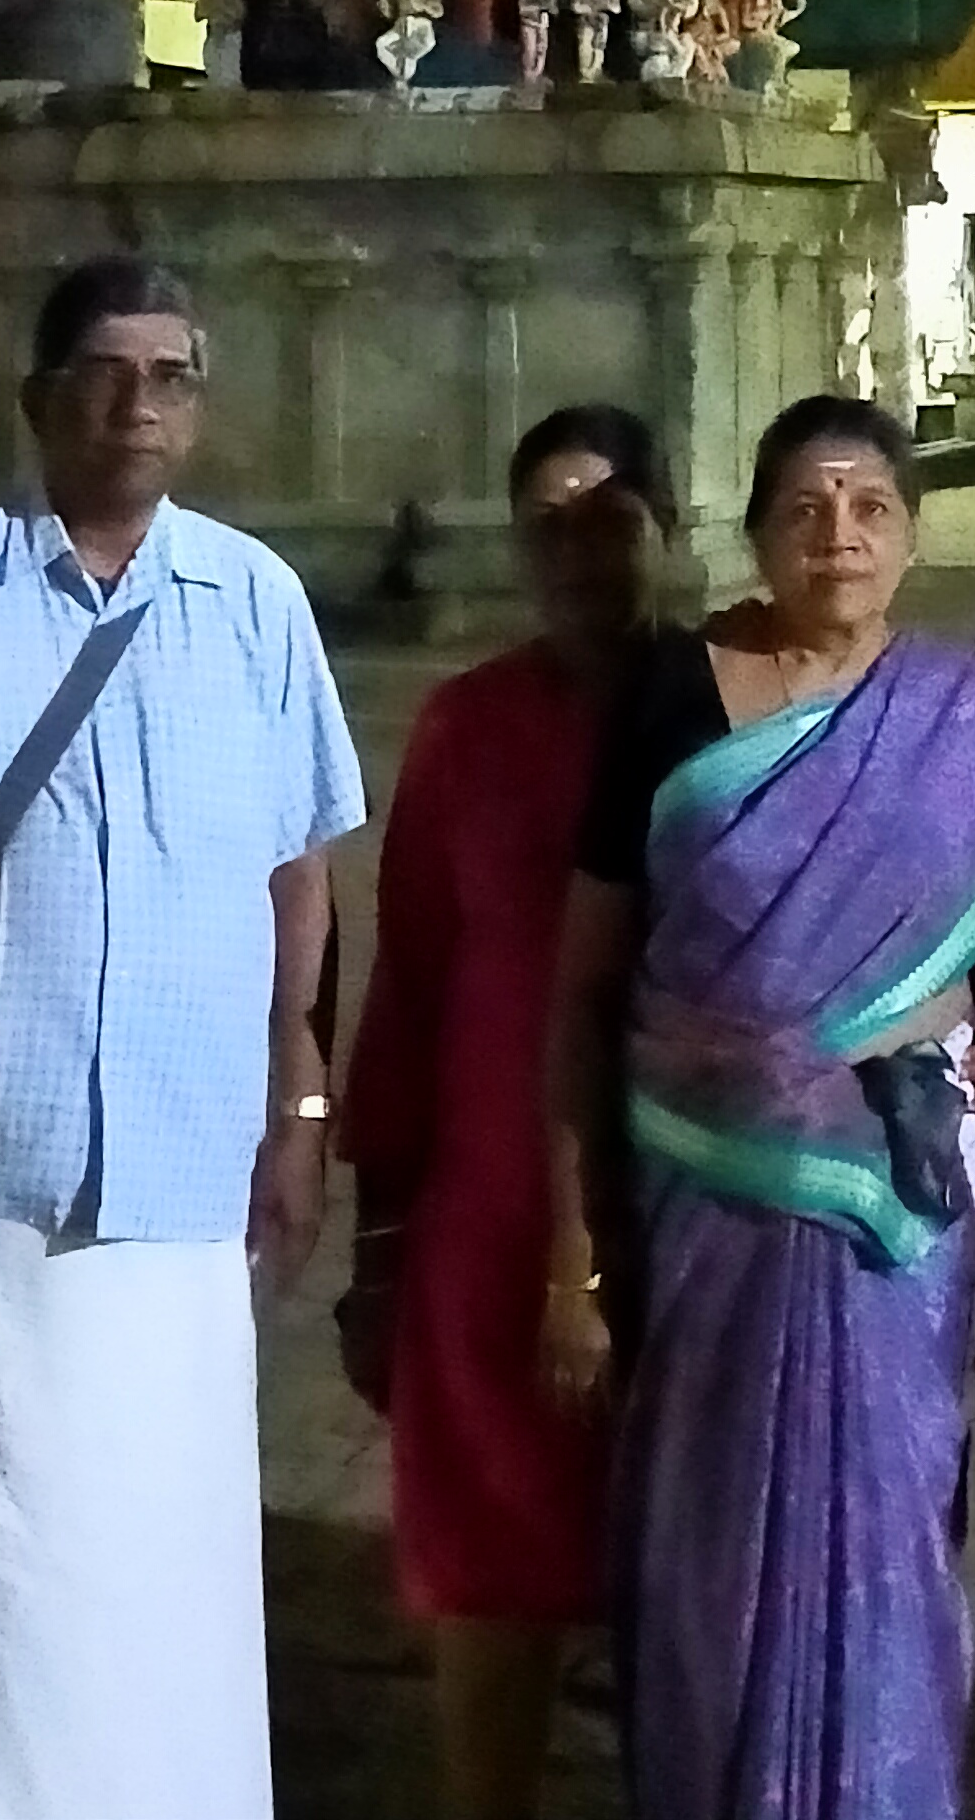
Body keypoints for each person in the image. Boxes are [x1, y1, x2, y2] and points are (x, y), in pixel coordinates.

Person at [0, 253, 366, 1820]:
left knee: (158, 1591)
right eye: (106, 371)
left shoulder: (253, 605)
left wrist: (297, 1109)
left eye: (173, 374)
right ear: (38, 403)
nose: (140, 403)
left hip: (181, 1195)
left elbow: (299, 875)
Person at [543, 393, 975, 1820]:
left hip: (899, 1223)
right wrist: (575, 1257)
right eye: (804, 507)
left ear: (915, 537)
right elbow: (584, 989)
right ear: (753, 537)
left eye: (870, 506)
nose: (839, 535)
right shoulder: (676, 697)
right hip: (705, 1207)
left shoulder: (965, 711)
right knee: (714, 1553)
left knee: (892, 1537)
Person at [335, 406, 673, 1820]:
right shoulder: (469, 726)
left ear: (665, 526)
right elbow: (411, 972)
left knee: (687, 1566)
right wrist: (382, 1234)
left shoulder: (734, 699)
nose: (582, 552)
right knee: (493, 1565)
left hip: (695, 1199)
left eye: (612, 518)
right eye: (551, 522)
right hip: (490, 1204)